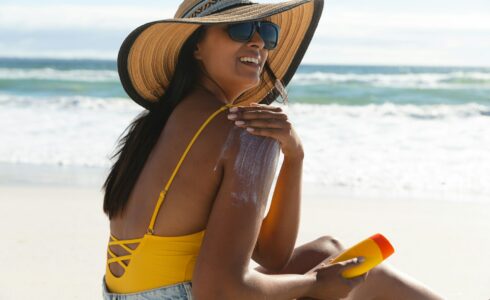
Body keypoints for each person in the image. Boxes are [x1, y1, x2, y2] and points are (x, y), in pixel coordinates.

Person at [101, 0, 444, 299]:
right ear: (196, 47)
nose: (257, 42)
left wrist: (294, 157)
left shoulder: (159, 123)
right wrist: (312, 285)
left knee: (328, 251)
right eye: (240, 29)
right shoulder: (244, 133)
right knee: (369, 282)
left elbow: (272, 256)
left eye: (266, 33)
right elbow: (220, 292)